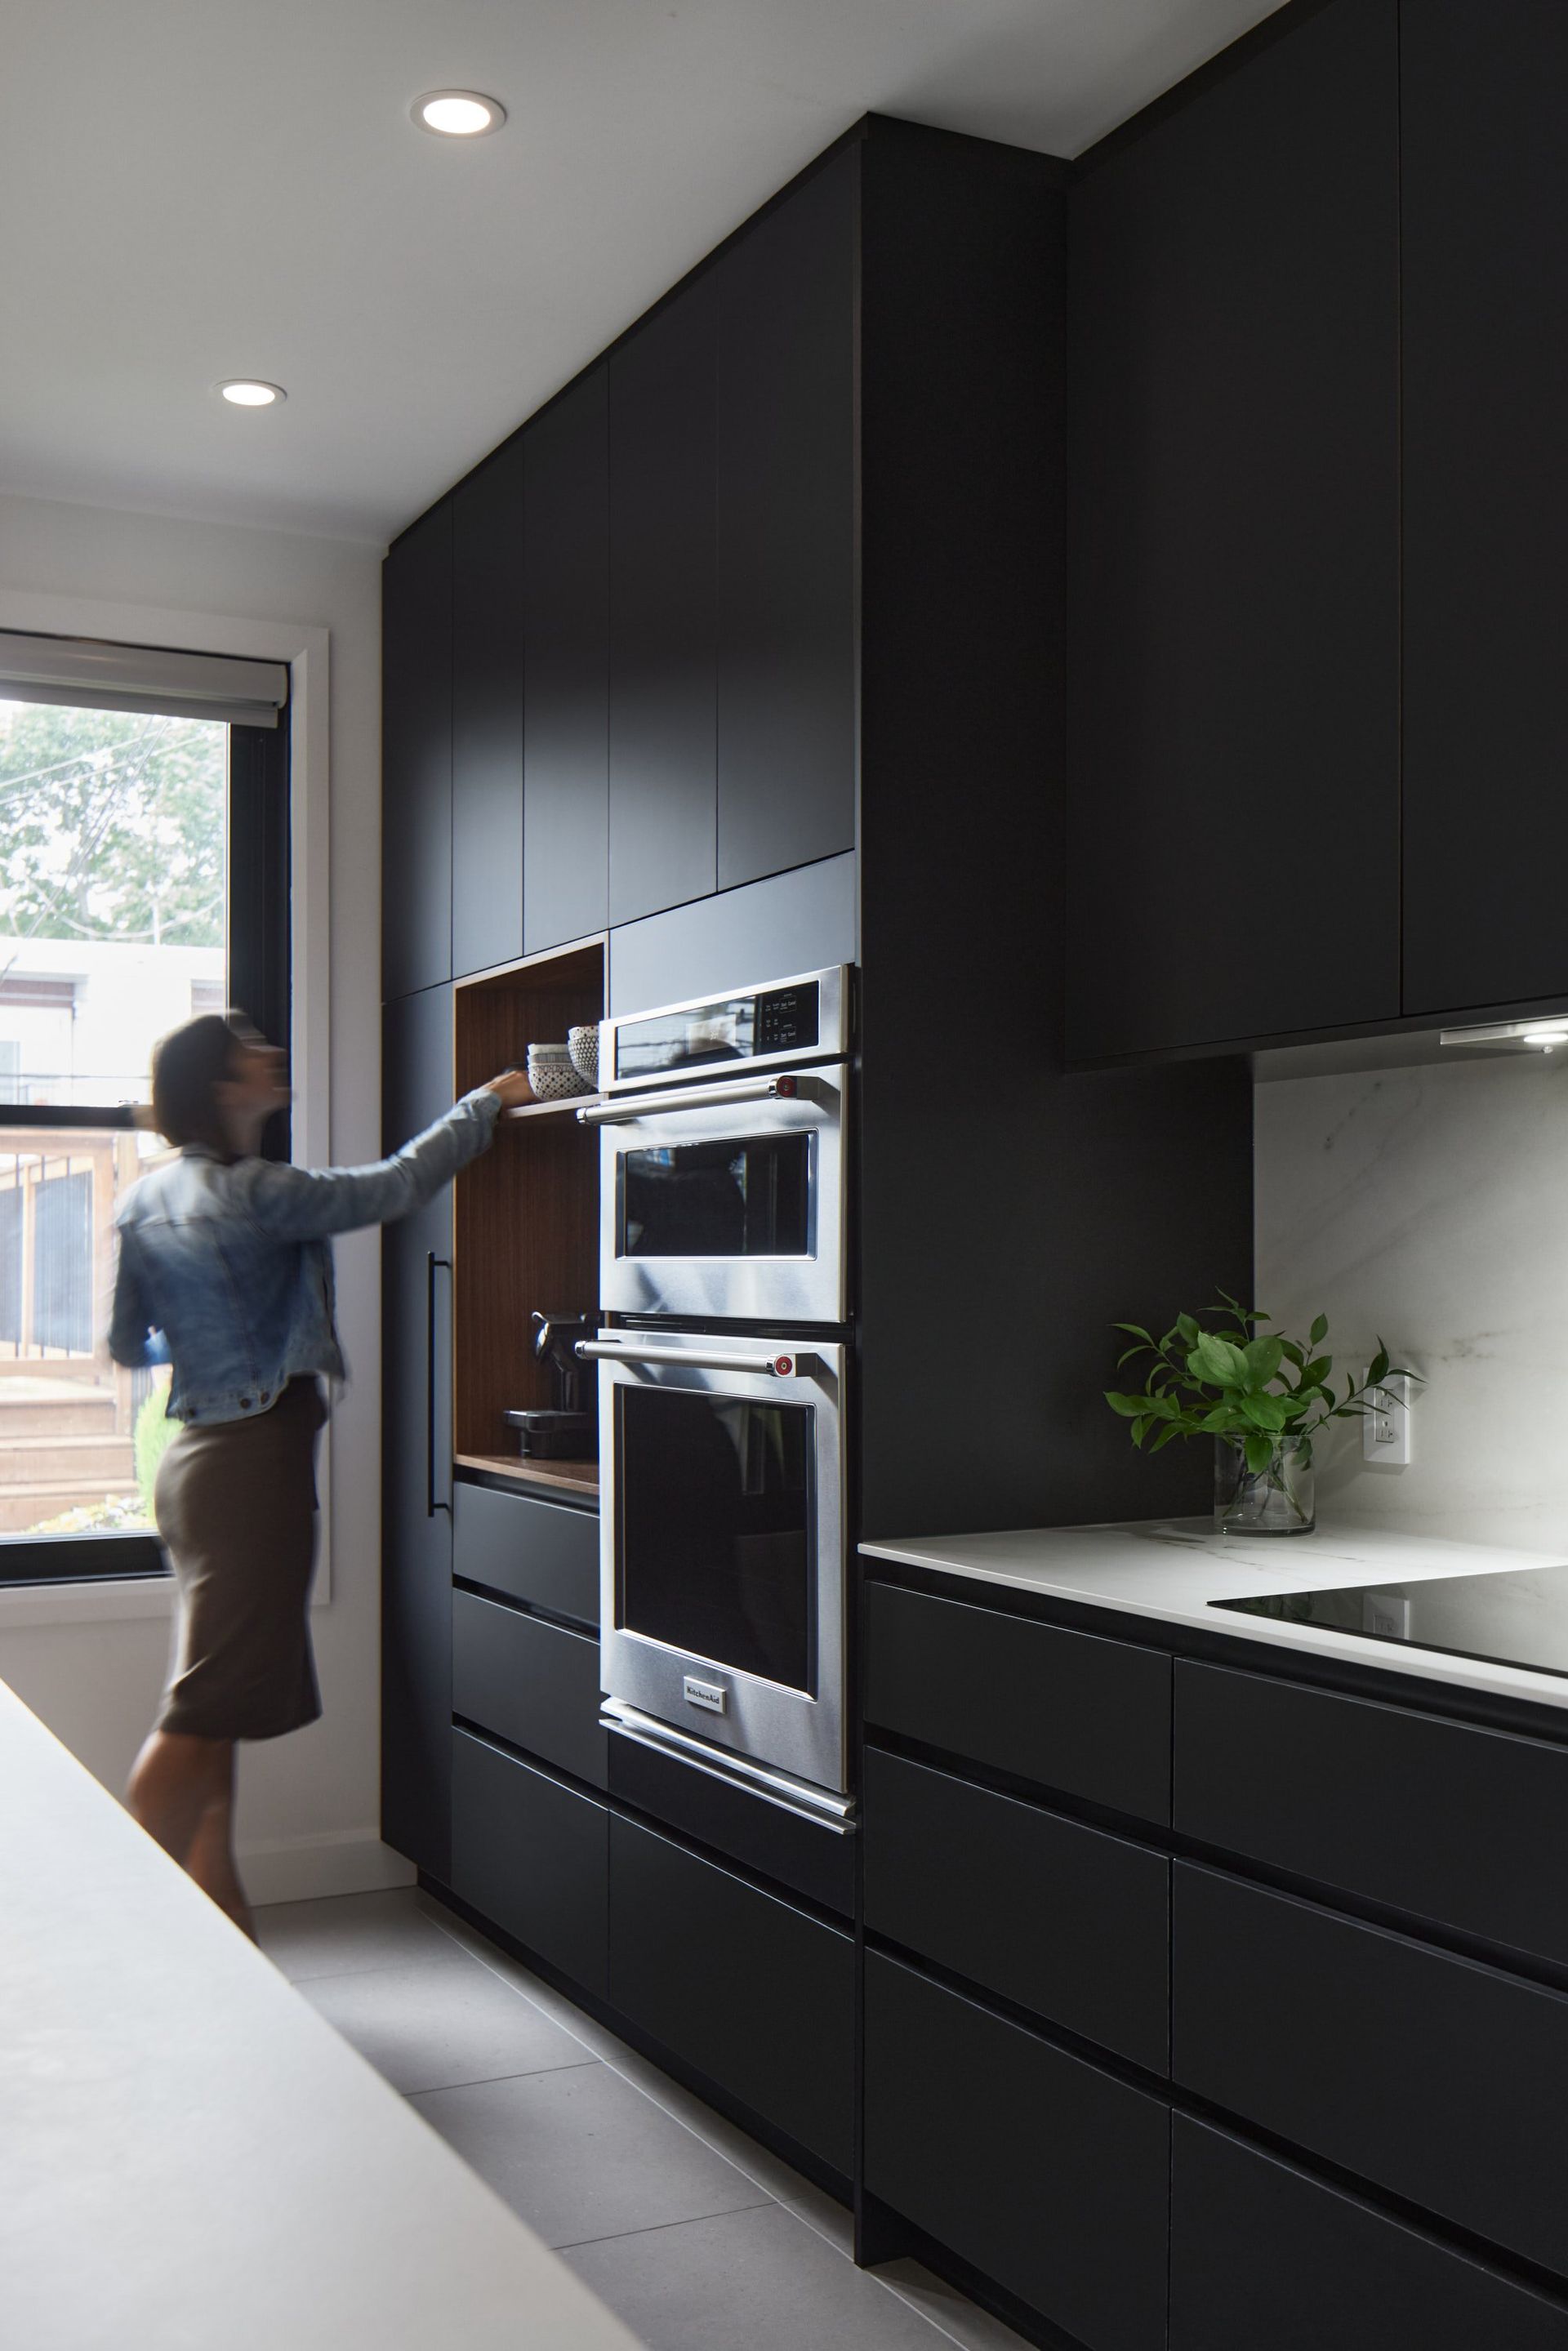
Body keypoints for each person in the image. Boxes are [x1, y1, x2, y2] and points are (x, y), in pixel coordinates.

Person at [109, 1013, 532, 1937]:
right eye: (252, 1049)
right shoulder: (259, 1192)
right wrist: (485, 1101)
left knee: (208, 1702)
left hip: (187, 1464)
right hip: (254, 1461)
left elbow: (127, 1340)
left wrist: (215, 1323)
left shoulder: (143, 1200)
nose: (273, 1056)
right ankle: (115, 1934)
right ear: (226, 1087)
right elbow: (395, 1184)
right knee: (201, 1710)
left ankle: (224, 1925)